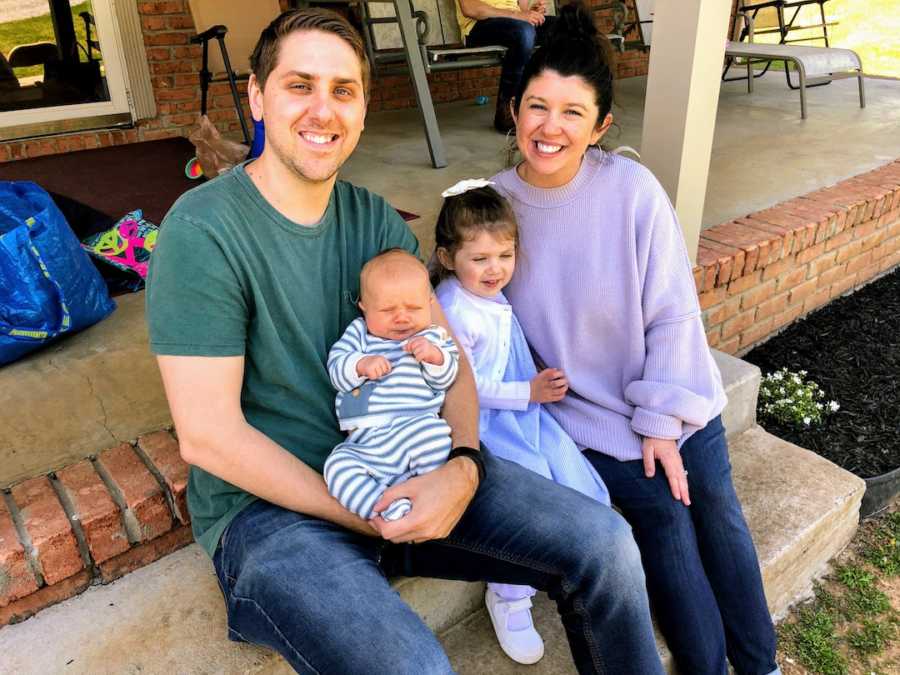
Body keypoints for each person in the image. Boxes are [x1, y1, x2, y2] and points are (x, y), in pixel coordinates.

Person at [146, 8, 664, 674]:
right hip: (272, 515)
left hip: (407, 466)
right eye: (299, 84)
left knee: (607, 542)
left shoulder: (375, 221)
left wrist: (464, 465)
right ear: (256, 97)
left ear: (363, 110)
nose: (322, 110)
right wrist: (365, 511)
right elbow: (209, 435)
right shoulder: (205, 230)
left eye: (343, 90)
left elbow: (454, 373)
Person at [490, 4, 781, 675]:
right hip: (589, 414)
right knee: (664, 518)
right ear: (514, 109)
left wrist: (659, 421)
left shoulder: (630, 188)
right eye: (537, 106)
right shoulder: (493, 208)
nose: (550, 127)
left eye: (572, 112)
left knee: (714, 506)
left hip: (674, 388)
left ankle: (759, 662)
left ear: (601, 125)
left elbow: (674, 314)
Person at [431, 181, 611, 665]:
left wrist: (533, 389)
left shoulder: (486, 296)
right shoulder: (453, 309)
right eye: (481, 258)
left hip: (523, 415)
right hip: (485, 424)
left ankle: (594, 559)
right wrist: (526, 391)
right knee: (524, 504)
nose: (496, 270)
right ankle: (510, 596)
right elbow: (462, 385)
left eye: (505, 255)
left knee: (572, 479)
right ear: (448, 258)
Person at [325, 250, 459, 521]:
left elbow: (447, 376)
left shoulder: (432, 336)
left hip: (416, 425)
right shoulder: (359, 334)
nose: (402, 318)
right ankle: (385, 508)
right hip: (366, 441)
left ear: (430, 302)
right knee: (336, 468)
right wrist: (360, 365)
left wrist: (434, 357)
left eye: (414, 308)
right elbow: (336, 369)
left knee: (435, 439)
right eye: (387, 310)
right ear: (364, 306)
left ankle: (428, 499)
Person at [455, 0, 553, 133]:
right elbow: (470, 8)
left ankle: (556, 103)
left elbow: (521, 9)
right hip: (478, 25)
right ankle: (506, 112)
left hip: (516, 24)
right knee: (524, 32)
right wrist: (517, 15)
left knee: (568, 27)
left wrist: (531, 12)